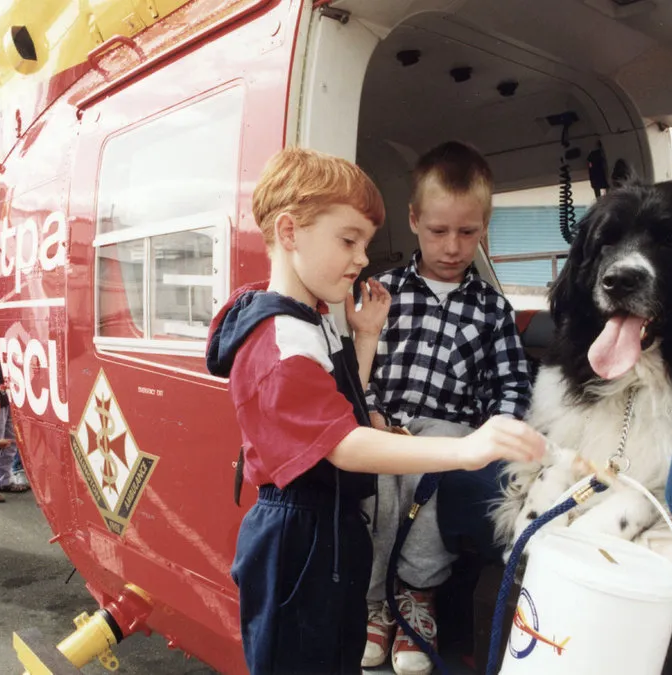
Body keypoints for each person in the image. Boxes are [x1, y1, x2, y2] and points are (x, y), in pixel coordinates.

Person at [205, 147, 544, 675]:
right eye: (349, 241)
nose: (363, 257)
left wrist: (365, 339)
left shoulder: (312, 319)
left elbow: (341, 403)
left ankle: (405, 600)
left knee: (333, 654)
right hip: (299, 532)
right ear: (291, 233)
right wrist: (465, 448)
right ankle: (383, 606)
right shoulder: (279, 341)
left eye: (364, 243)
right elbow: (342, 441)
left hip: (329, 524)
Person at [360, 141, 532, 674]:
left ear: (484, 227)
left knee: (441, 470)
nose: (453, 246)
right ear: (413, 220)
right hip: (384, 426)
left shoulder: (492, 308)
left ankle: (417, 594)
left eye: (468, 232)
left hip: (453, 433)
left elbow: (510, 383)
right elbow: (355, 367)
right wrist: (369, 412)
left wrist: (493, 434)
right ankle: (375, 604)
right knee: (378, 492)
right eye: (438, 231)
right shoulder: (381, 292)